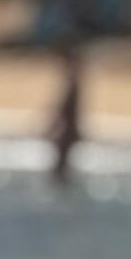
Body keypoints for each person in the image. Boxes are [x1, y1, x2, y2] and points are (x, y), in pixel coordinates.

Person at [46, 46, 85, 189]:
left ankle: (61, 190)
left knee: (61, 166)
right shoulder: (75, 81)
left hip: (67, 131)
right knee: (63, 166)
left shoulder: (73, 82)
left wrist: (52, 126)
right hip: (69, 131)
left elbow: (65, 110)